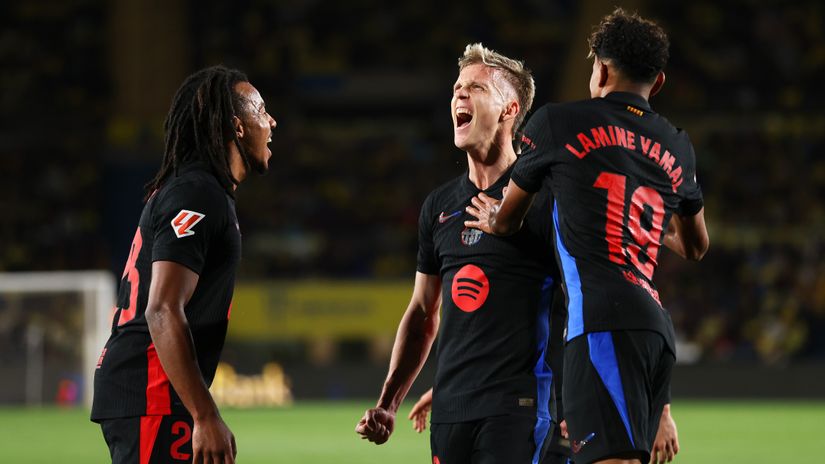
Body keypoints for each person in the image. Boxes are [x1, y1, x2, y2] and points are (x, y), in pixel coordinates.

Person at [465, 8, 708, 464]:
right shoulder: (677, 144)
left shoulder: (557, 123)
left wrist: (495, 217)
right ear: (657, 83)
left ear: (600, 68)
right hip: (656, 330)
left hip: (600, 324)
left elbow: (510, 219)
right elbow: (696, 245)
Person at [355, 43, 563, 464]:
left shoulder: (546, 200)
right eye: (456, 88)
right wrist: (388, 403)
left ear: (509, 110)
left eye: (476, 88)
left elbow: (580, 300)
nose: (459, 96)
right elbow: (421, 314)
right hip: (450, 412)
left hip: (517, 408)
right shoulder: (438, 206)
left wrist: (577, 399)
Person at [90, 65, 277, 464]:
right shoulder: (198, 192)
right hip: (153, 391)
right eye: (261, 111)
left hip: (155, 391)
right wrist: (205, 414)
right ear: (238, 127)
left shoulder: (201, 189)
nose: (271, 121)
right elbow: (161, 308)